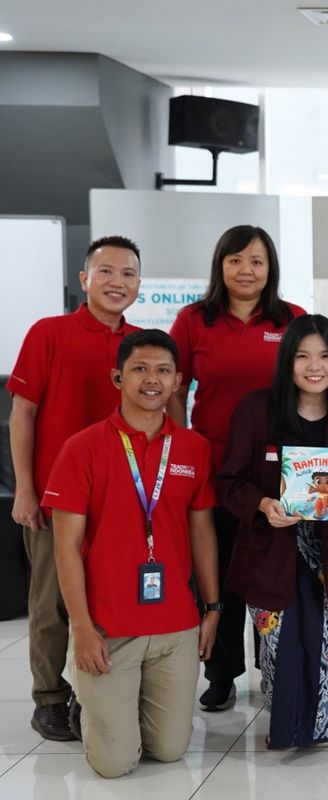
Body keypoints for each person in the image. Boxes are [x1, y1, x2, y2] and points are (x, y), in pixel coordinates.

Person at [44, 329, 221, 778]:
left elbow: (202, 533)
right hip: (108, 627)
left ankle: (122, 706)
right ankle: (89, 701)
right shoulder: (81, 448)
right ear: (117, 377)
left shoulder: (193, 449)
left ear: (179, 381)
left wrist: (213, 607)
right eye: (139, 368)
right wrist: (82, 628)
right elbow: (65, 546)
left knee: (168, 750)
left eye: (163, 371)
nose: (151, 379)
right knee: (114, 764)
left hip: (174, 627)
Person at [7, 235, 142, 742]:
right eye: (105, 272)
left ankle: (100, 694)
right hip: (55, 500)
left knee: (111, 601)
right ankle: (49, 698)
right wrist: (25, 488)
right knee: (51, 604)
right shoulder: (50, 333)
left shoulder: (141, 344)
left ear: (138, 284)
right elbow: (22, 413)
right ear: (85, 279)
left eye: (127, 273)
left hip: (122, 503)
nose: (116, 282)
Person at [216, 314, 328, 749]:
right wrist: (262, 505)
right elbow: (229, 482)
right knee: (280, 647)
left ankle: (320, 722)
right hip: (270, 553)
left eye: (324, 356)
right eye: (302, 356)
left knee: (326, 645)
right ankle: (284, 724)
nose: (314, 366)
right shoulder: (256, 409)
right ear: (288, 361)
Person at [168, 225, 305, 712]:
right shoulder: (193, 320)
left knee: (272, 573)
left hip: (278, 470)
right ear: (220, 265)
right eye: (235, 260)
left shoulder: (292, 320)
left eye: (257, 261)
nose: (246, 270)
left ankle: (275, 668)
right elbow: (174, 390)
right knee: (218, 572)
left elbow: (311, 384)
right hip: (212, 465)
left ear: (271, 269)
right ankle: (221, 673)